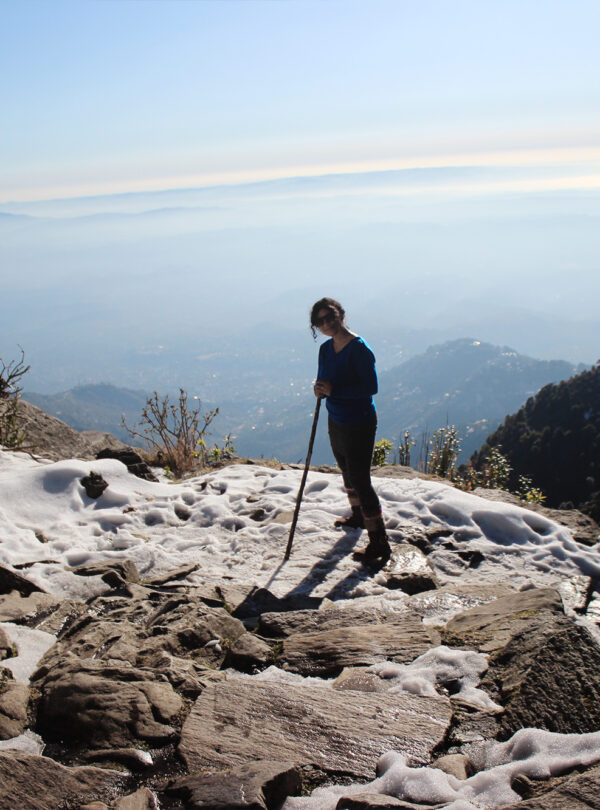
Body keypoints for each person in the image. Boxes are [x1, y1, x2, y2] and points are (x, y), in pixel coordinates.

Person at [310, 297, 391, 562]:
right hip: (337, 417)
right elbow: (325, 380)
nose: (325, 324)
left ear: (340, 315)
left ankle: (379, 542)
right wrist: (320, 389)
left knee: (360, 479)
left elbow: (370, 387)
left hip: (359, 420)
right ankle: (358, 516)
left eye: (329, 317)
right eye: (319, 321)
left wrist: (335, 391)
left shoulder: (359, 349)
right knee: (346, 469)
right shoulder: (325, 349)